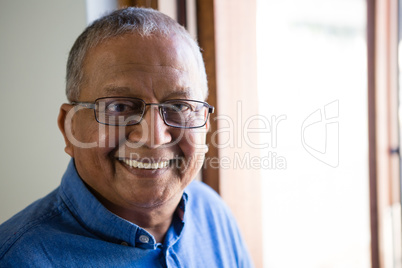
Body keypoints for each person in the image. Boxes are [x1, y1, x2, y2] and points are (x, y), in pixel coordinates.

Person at [0, 7, 253, 267]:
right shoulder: (17, 258)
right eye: (119, 107)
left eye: (179, 107)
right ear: (70, 128)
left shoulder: (212, 213)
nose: (154, 137)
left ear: (205, 124)